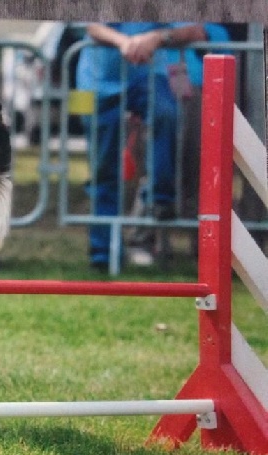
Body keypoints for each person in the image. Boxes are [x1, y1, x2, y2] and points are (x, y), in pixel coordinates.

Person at [75, 22, 208, 272]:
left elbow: (196, 29)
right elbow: (92, 26)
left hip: (150, 76)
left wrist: (158, 37)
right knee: (104, 171)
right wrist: (125, 42)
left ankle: (159, 199)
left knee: (167, 115)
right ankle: (104, 253)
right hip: (96, 85)